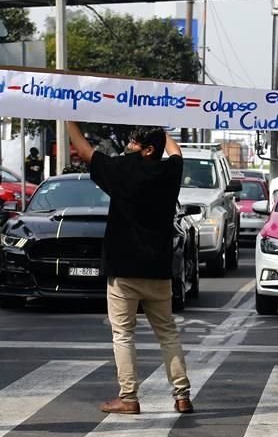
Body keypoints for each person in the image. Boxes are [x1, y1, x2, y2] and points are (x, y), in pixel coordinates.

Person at [67, 122, 193, 415]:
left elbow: (85, 151)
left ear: (147, 149)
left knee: (123, 335)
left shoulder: (121, 169)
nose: (129, 144)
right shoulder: (169, 172)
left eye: (136, 142)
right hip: (158, 269)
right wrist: (161, 130)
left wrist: (67, 119)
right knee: (168, 333)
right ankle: (182, 396)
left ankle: (129, 397)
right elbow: (175, 151)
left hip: (124, 270)